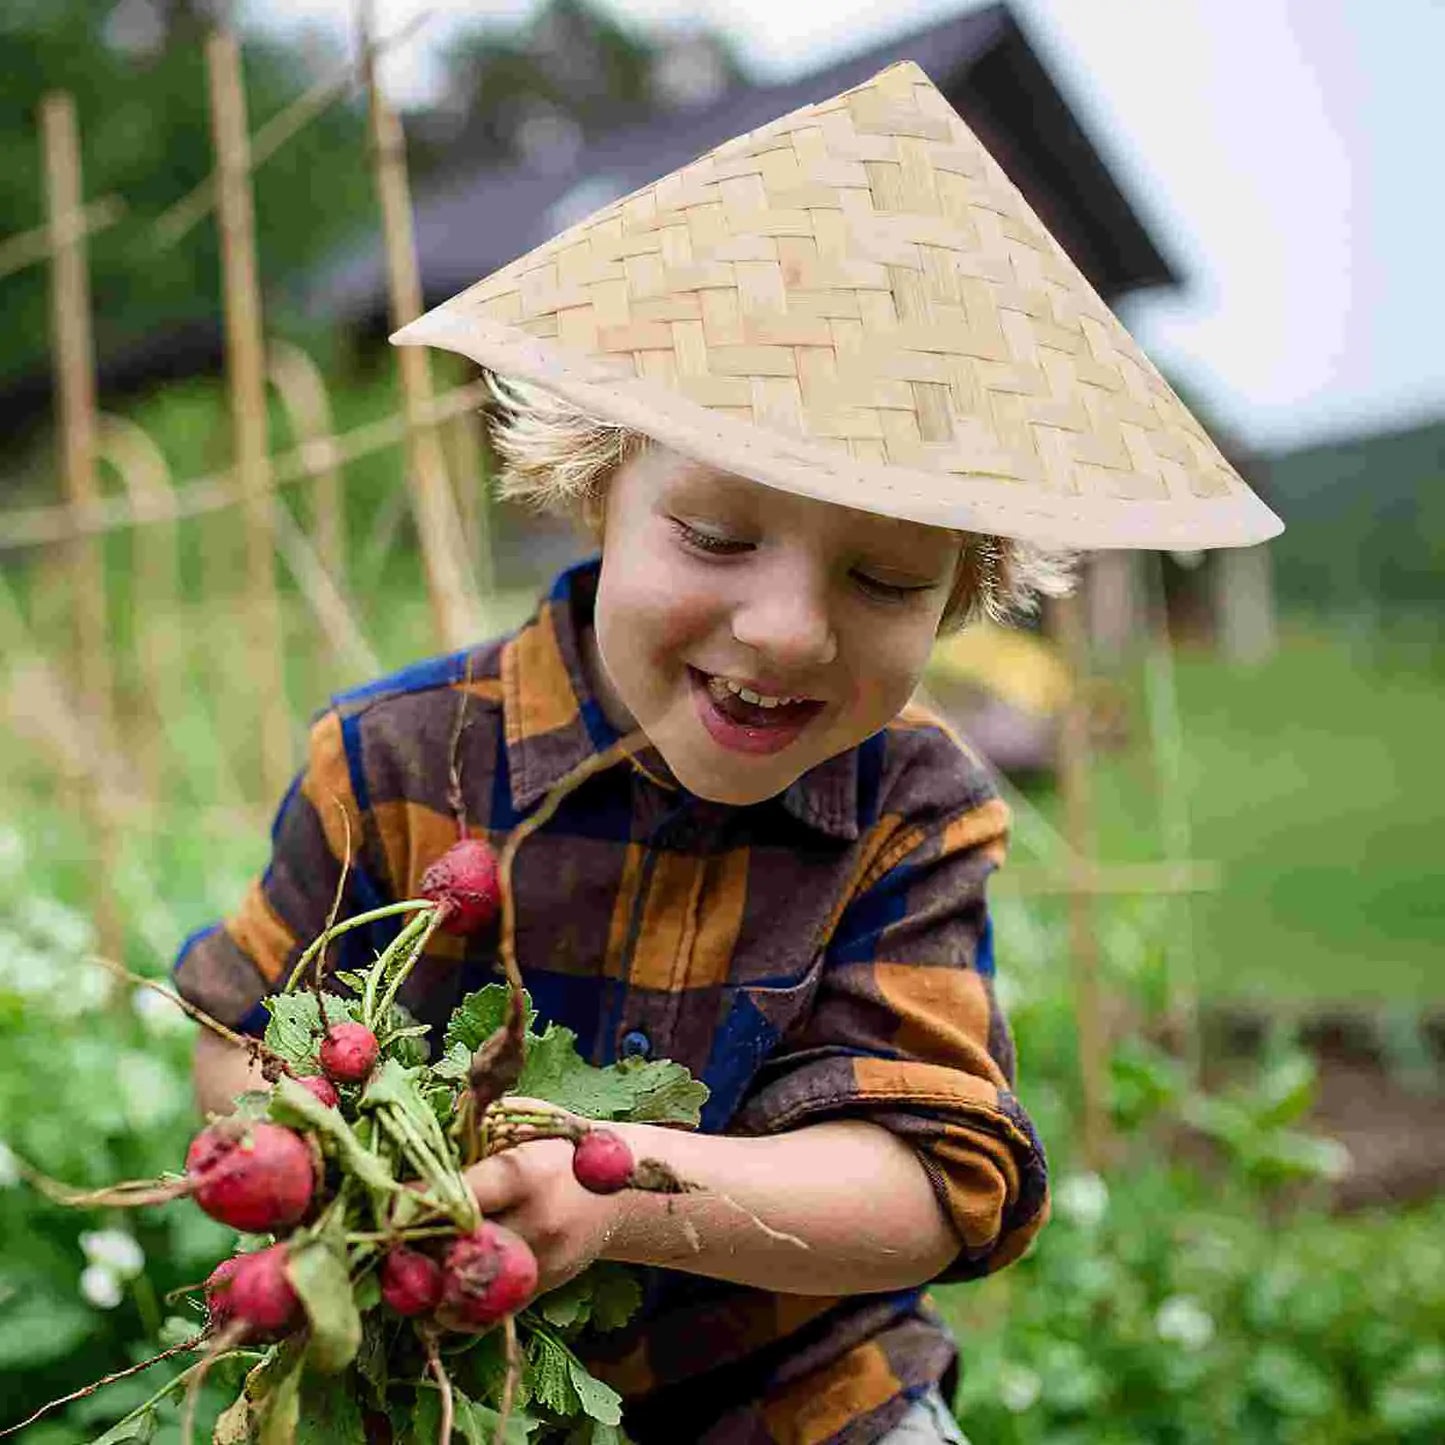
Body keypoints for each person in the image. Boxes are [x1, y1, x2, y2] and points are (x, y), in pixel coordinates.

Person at [176, 60, 1280, 1444]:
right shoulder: (394, 758)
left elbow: (927, 1183)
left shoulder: (911, 806)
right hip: (449, 1383)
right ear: (596, 482)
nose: (785, 632)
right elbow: (237, 1032)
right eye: (714, 536)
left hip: (803, 1396)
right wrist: (329, 1159)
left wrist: (621, 1179)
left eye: (883, 582)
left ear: (965, 588)